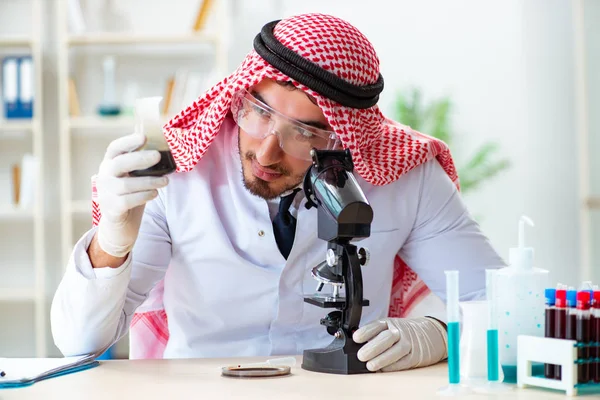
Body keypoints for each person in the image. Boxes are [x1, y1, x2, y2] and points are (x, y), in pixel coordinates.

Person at [51, 13, 505, 372]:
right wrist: (111, 243)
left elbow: (505, 308)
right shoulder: (180, 168)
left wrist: (439, 335)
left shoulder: (407, 175)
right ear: (241, 95)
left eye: (304, 133)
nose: (267, 151)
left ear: (344, 137)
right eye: (259, 113)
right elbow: (79, 343)